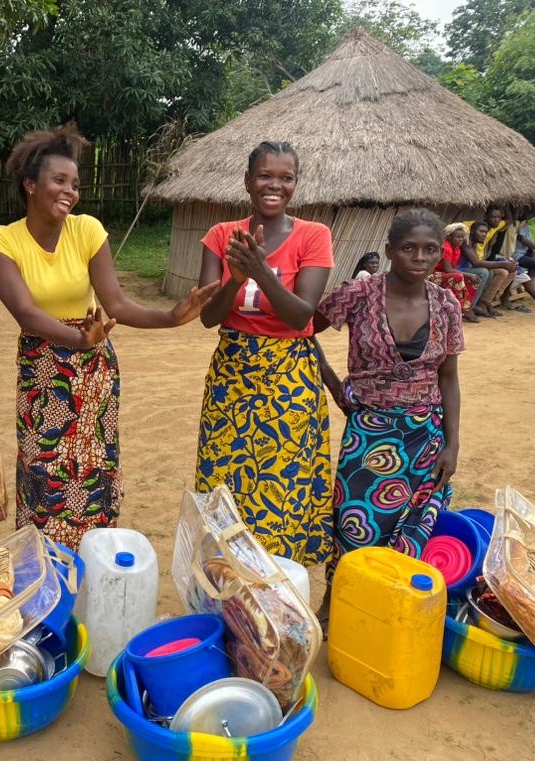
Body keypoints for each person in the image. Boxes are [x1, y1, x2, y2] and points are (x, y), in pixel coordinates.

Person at [0, 125, 215, 551]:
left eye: (75, 184)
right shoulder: (4, 240)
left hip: (93, 372)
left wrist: (170, 317)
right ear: (30, 184)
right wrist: (77, 340)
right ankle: (46, 559)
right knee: (43, 463)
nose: (70, 192)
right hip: (43, 371)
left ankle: (93, 555)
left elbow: (117, 304)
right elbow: (26, 313)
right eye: (59, 180)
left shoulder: (88, 230)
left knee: (93, 465)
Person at [195, 141, 334, 565]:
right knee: (225, 476)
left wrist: (259, 271)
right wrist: (236, 279)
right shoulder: (221, 235)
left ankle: (276, 577)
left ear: (295, 183)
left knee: (281, 480)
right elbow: (208, 316)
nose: (275, 185)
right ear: (247, 181)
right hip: (232, 376)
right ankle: (226, 574)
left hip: (288, 378)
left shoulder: (314, 235)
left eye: (285, 178)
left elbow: (300, 315)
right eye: (265, 176)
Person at [315, 208, 462, 574]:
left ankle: (392, 598)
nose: (420, 258)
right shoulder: (358, 294)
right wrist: (334, 383)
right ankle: (340, 594)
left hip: (425, 436)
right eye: (408, 248)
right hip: (367, 434)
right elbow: (303, 330)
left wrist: (452, 444)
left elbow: (448, 378)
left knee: (411, 534)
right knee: (354, 523)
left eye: (430, 249)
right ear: (390, 250)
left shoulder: (447, 304)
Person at [461, 219, 514, 317]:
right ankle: (469, 307)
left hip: (467, 269)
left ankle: (483, 302)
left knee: (496, 272)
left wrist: (505, 263)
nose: (484, 234)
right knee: (484, 272)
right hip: (457, 269)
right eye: (481, 231)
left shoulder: (474, 243)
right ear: (472, 231)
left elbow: (476, 263)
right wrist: (502, 264)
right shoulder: (466, 242)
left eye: (485, 232)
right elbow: (476, 263)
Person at [432, 223, 479, 323]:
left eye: (462, 237)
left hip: (444, 275)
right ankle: (458, 310)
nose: (461, 239)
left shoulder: (457, 249)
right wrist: (469, 275)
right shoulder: (446, 247)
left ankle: (465, 308)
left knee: (473, 280)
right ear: (449, 237)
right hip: (433, 275)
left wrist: (469, 276)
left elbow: (452, 269)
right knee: (458, 277)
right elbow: (448, 269)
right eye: (458, 237)